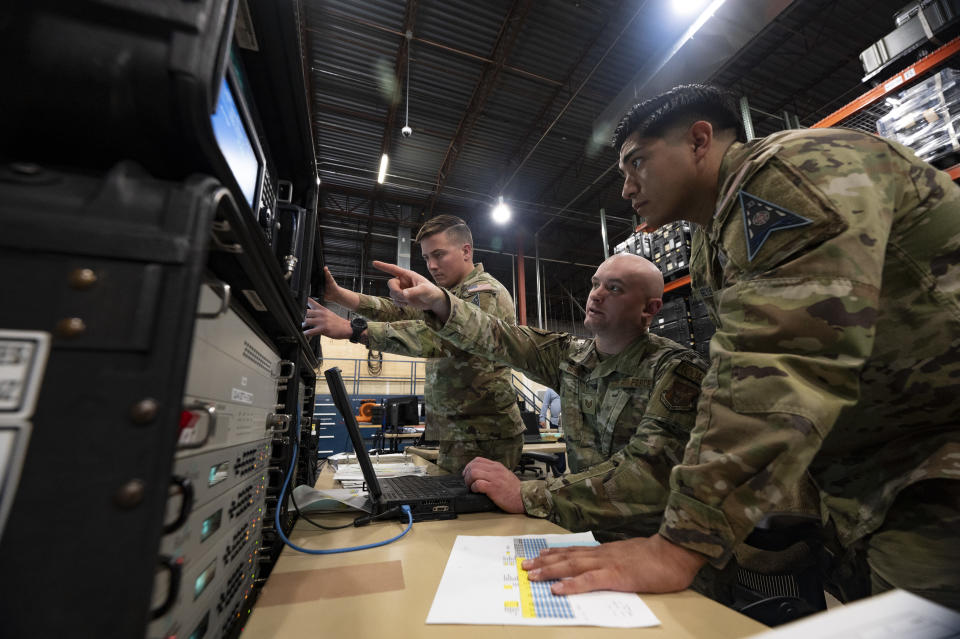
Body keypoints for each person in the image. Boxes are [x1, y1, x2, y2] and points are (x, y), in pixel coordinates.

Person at [518, 84, 960, 609]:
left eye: (637, 162)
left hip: (932, 469)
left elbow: (773, 365)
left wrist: (681, 542)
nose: (626, 189)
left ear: (699, 140)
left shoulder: (782, 176)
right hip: (872, 482)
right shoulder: (712, 237)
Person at [370, 253, 710, 545]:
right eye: (595, 284)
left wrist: (529, 493)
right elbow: (501, 336)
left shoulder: (675, 370)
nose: (597, 295)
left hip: (659, 547)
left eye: (615, 288)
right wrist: (441, 303)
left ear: (649, 309)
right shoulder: (572, 356)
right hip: (586, 535)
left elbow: (648, 474)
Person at [303, 215, 524, 473]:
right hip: (462, 431)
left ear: (466, 251)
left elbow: (440, 339)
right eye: (427, 258)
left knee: (479, 513)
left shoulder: (483, 293)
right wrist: (341, 296)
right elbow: (401, 312)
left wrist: (353, 329)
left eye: (439, 255)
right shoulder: (451, 295)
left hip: (486, 434)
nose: (431, 266)